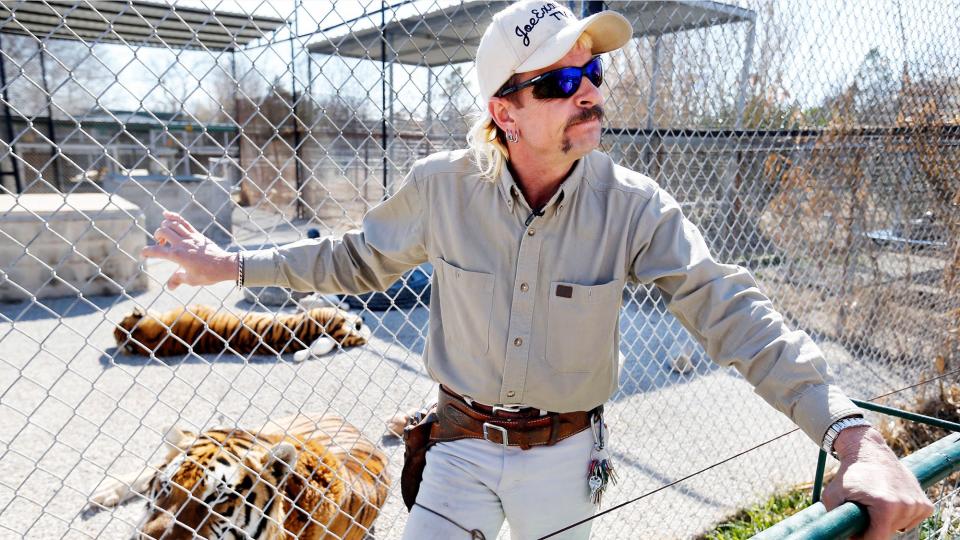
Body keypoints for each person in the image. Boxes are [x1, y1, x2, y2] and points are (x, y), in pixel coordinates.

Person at [142, 2, 933, 538]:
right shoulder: (441, 189)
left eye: (592, 74)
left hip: (565, 455)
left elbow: (726, 305)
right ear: (504, 111)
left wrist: (851, 434)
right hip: (455, 444)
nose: (587, 92)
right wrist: (231, 263)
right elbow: (353, 257)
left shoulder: (633, 205)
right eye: (559, 81)